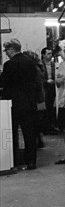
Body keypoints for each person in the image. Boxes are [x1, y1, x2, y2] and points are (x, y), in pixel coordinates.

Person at [0, 39, 38, 170]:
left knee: (13, 133)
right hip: (29, 102)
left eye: (6, 51)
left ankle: (14, 160)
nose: (6, 53)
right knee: (30, 133)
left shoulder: (9, 65)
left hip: (14, 103)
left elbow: (4, 84)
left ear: (12, 49)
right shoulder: (30, 63)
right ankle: (31, 161)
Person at [23, 50, 46, 148]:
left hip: (37, 99)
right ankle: (39, 140)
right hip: (40, 98)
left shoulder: (34, 70)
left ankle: (38, 141)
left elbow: (37, 85)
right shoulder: (38, 68)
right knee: (37, 122)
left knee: (35, 122)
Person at [41, 46, 58, 134]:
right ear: (43, 55)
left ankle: (50, 126)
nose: (50, 55)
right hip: (44, 88)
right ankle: (45, 127)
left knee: (51, 107)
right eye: (48, 53)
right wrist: (46, 81)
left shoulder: (53, 64)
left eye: (51, 53)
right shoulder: (40, 64)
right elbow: (39, 77)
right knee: (46, 108)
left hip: (52, 87)